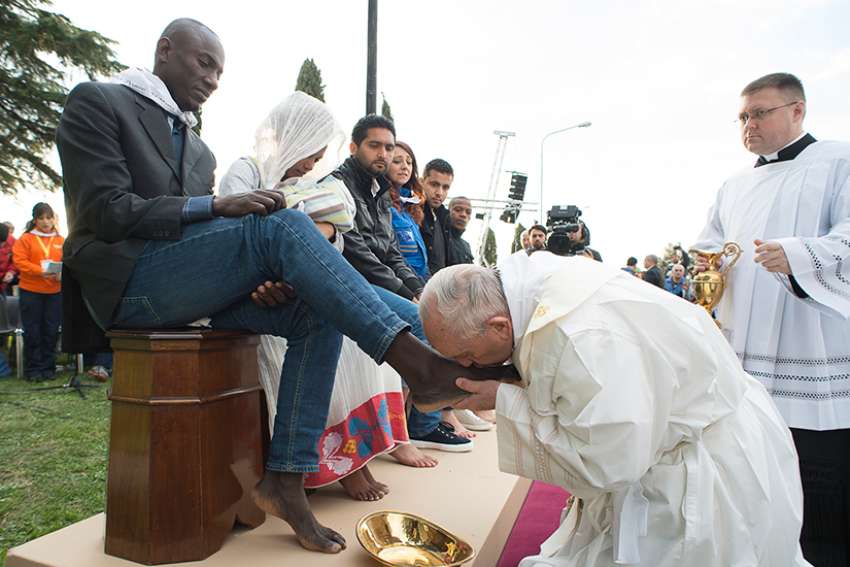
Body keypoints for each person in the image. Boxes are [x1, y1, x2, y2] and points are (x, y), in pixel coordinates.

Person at [56, 18, 516, 554]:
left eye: (220, 72)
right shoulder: (99, 102)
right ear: (164, 51)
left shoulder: (197, 148)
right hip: (129, 285)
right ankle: (418, 362)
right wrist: (215, 206)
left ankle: (287, 478)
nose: (212, 79)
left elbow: (204, 248)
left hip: (187, 288)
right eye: (204, 63)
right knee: (282, 222)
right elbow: (104, 213)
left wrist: (257, 280)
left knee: (312, 308)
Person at [418, 255, 809, 567]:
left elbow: (609, 463)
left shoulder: (581, 338)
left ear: (500, 326)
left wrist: (501, 399)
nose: (468, 366)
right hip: (679, 429)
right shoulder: (526, 285)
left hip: (702, 465)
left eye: (467, 355)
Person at [218, 92, 427, 498]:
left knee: (356, 338)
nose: (315, 161)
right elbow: (234, 241)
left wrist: (324, 233)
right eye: (311, 150)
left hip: (300, 286)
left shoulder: (308, 185)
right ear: (291, 137)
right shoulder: (245, 173)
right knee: (335, 332)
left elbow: (331, 240)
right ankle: (336, 462)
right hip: (257, 296)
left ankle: (357, 457)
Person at [692, 72, 850, 565]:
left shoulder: (839, 160)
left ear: (797, 111)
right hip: (747, 352)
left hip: (813, 345)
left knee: (817, 481)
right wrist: (707, 263)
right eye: (742, 116)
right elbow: (710, 241)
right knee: (753, 465)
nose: (749, 125)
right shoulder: (734, 184)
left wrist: (802, 256)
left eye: (760, 113)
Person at [12, 203, 64, 381]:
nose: (45, 222)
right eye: (41, 218)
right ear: (35, 220)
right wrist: (40, 271)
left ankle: (49, 368)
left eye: (49, 218)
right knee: (33, 330)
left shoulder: (60, 240)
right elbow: (19, 262)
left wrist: (61, 274)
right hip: (31, 291)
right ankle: (33, 369)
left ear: (54, 219)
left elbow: (68, 262)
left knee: (50, 330)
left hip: (54, 292)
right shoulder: (26, 239)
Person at [387, 141, 430, 281]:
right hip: (400, 284)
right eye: (397, 161)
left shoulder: (409, 206)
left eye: (409, 162)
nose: (405, 166)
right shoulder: (382, 204)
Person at [420, 159, 454, 275]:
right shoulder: (412, 211)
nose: (439, 192)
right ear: (421, 182)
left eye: (445, 187)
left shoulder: (444, 218)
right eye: (434, 184)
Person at [446, 196, 474, 265]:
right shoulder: (439, 237)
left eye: (468, 212)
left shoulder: (466, 246)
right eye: (458, 210)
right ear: (448, 212)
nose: (463, 215)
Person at [0, 223, 17, 295]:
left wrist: (11, 271)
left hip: (5, 283)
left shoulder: (13, 241)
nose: (1, 245)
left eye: (3, 243)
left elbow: (16, 260)